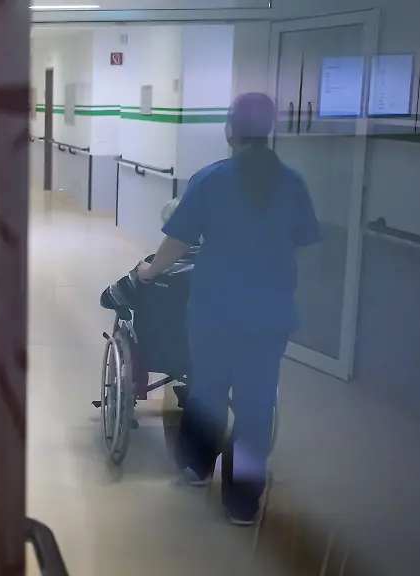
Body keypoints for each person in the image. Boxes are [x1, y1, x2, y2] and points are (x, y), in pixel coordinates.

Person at [136, 93, 321, 525]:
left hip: (215, 311)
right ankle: (242, 502)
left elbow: (178, 241)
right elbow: (300, 245)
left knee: (207, 392)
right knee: (256, 408)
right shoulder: (292, 183)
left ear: (230, 131)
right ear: (269, 130)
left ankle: (197, 467)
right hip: (269, 315)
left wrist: (149, 272)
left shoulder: (211, 179)